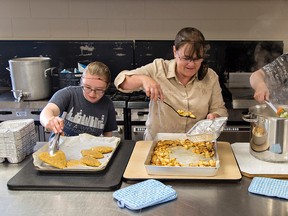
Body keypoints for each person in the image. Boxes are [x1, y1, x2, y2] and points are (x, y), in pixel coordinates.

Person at [114, 27, 228, 140]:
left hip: (195, 145)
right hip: (158, 144)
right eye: (186, 58)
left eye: (197, 59)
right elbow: (120, 81)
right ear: (175, 51)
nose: (192, 64)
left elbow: (219, 109)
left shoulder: (210, 77)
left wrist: (215, 116)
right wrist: (143, 79)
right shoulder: (158, 69)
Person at [40, 61, 117, 138]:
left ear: (107, 87)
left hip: (89, 148)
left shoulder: (107, 104)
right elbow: (48, 111)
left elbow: (107, 135)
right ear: (81, 82)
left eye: (99, 89)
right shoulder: (69, 94)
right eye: (87, 87)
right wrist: (50, 120)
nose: (92, 94)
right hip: (62, 147)